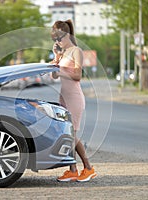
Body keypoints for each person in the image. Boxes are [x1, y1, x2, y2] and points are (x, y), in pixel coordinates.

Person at [50, 20, 96, 182]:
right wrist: (56, 59)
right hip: (63, 97)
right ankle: (73, 170)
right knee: (67, 134)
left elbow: (77, 76)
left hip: (74, 98)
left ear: (67, 35)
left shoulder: (77, 51)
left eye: (59, 38)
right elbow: (54, 74)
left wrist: (60, 71)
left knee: (72, 134)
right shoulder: (63, 53)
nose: (57, 41)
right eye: (54, 39)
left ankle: (88, 168)